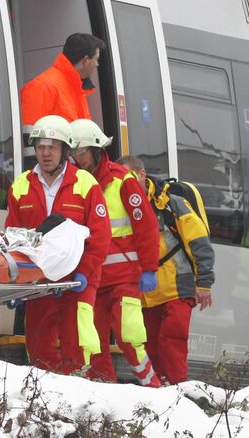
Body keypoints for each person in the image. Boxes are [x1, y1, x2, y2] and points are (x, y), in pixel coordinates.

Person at [6, 115, 111, 374]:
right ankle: (45, 400)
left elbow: (100, 237)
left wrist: (84, 273)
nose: (45, 153)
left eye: (52, 147)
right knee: (39, 345)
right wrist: (18, 281)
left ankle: (79, 397)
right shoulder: (21, 186)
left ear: (65, 150)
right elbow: (13, 236)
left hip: (77, 280)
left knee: (78, 344)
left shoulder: (86, 184)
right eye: (41, 147)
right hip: (39, 281)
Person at [70, 120, 161, 387]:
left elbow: (146, 226)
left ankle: (153, 388)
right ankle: (104, 396)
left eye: (82, 152)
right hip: (92, 279)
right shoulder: (77, 183)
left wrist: (149, 268)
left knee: (129, 335)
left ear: (97, 150)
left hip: (124, 279)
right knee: (92, 341)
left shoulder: (124, 181)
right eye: (73, 154)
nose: (78, 159)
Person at [117, 155, 215, 384]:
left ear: (141, 175)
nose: (125, 184)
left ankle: (177, 390)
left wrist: (204, 284)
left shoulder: (171, 204)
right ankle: (160, 392)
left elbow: (200, 243)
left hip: (177, 288)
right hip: (147, 295)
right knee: (150, 345)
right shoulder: (123, 207)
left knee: (171, 341)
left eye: (128, 178)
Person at [19, 33, 105, 166]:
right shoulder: (43, 86)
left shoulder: (76, 89)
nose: (97, 64)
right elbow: (30, 146)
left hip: (68, 175)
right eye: (96, 59)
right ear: (86, 60)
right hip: (52, 178)